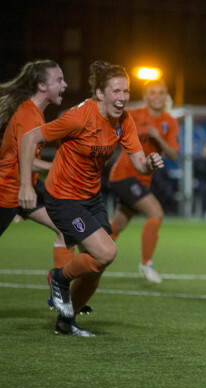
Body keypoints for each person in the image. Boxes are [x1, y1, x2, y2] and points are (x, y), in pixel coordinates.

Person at [18, 60, 164, 336]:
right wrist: (26, 185)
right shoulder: (78, 117)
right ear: (100, 93)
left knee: (97, 268)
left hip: (91, 197)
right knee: (106, 252)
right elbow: (29, 139)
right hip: (62, 197)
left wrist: (151, 163)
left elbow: (139, 163)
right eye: (116, 91)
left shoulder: (124, 121)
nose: (122, 98)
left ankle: (66, 321)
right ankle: (58, 278)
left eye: (126, 91)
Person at [0, 60, 75, 268]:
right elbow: (27, 161)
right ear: (42, 86)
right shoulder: (29, 115)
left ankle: (60, 294)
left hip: (27, 186)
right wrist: (57, 167)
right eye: (59, 80)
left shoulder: (33, 112)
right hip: (7, 190)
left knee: (66, 229)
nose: (65, 84)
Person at [107, 79, 179, 283]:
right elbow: (113, 128)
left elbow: (173, 154)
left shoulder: (169, 121)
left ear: (166, 96)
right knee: (156, 213)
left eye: (161, 92)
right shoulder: (134, 114)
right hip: (124, 175)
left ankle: (90, 256)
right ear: (145, 96)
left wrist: (159, 138)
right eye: (152, 93)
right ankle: (146, 263)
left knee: (118, 224)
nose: (157, 96)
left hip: (143, 180)